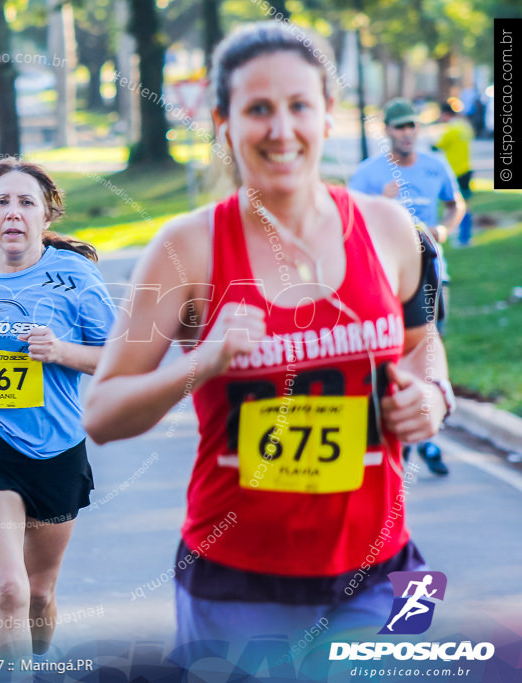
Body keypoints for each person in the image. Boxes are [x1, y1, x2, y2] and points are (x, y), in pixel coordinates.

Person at [83, 21, 455, 668]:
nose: (281, 130)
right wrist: (201, 362)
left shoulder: (392, 230)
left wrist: (435, 396)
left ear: (328, 116)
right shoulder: (187, 247)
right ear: (224, 123)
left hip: (377, 566)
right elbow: (103, 413)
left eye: (298, 106)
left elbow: (422, 343)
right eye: (258, 109)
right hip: (238, 581)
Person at [0, 159, 116, 667]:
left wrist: (61, 351)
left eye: (25, 202)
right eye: (2, 203)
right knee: (10, 589)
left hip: (55, 450)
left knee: (37, 593)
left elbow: (117, 359)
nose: (13, 212)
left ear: (46, 216)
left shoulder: (75, 277)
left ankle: (34, 661)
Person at [349, 97, 464, 476]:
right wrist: (375, 205)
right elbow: (346, 224)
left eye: (412, 125)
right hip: (386, 282)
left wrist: (445, 229)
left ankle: (426, 437)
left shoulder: (435, 166)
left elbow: (455, 203)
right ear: (387, 131)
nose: (407, 133)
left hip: (431, 274)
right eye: (399, 127)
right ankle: (401, 443)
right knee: (395, 358)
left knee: (428, 351)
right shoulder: (368, 175)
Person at [434, 102, 474, 246]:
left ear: (445, 114)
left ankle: (462, 237)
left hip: (454, 171)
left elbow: (438, 145)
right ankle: (465, 236)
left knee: (454, 205)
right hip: (466, 168)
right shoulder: (465, 126)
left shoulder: (451, 130)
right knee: (466, 204)